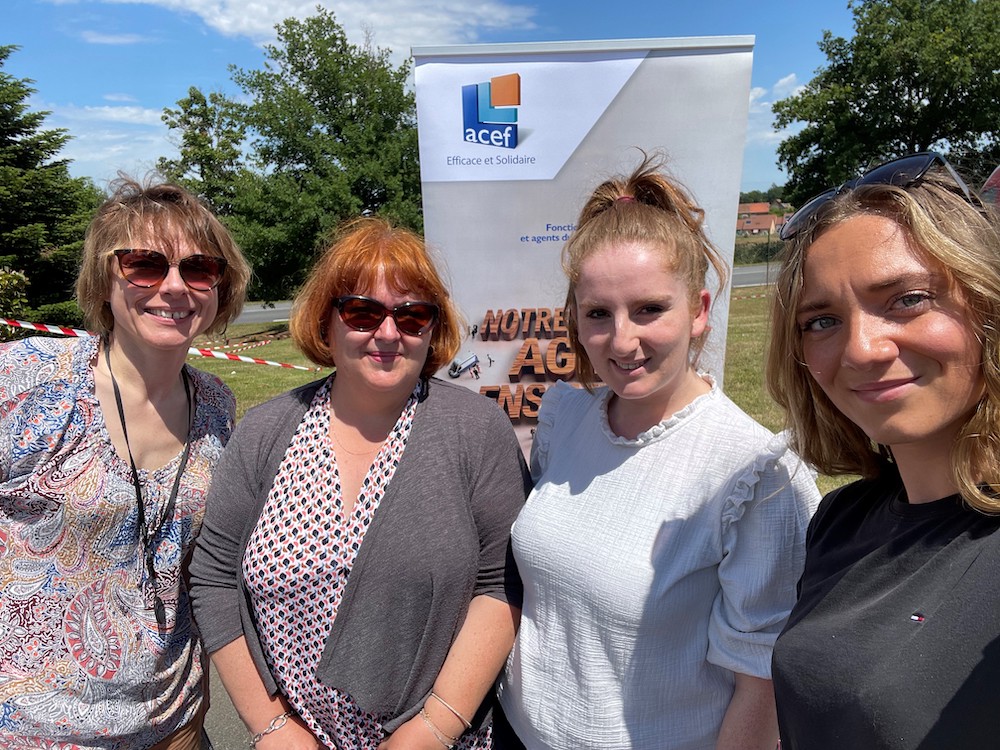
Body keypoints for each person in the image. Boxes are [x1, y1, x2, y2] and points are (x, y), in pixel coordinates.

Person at [495, 156, 820, 750]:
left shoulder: (756, 474)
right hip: (518, 735)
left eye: (649, 309)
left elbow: (763, 685)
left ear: (698, 311)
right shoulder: (565, 416)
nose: (622, 341)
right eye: (598, 314)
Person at [188, 217, 530, 750]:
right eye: (363, 311)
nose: (388, 333)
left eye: (412, 315)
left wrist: (432, 729)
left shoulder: (475, 430)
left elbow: (502, 581)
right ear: (326, 321)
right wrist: (273, 728)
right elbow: (214, 578)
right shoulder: (266, 431)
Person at [0, 177, 251, 748]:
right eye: (144, 264)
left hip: (173, 728)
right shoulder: (32, 379)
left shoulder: (216, 404)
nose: (173, 287)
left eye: (199, 269)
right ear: (104, 279)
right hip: (33, 732)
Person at [767, 152, 1000, 748]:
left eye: (907, 299)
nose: (862, 349)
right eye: (821, 320)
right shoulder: (841, 520)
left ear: (987, 303)